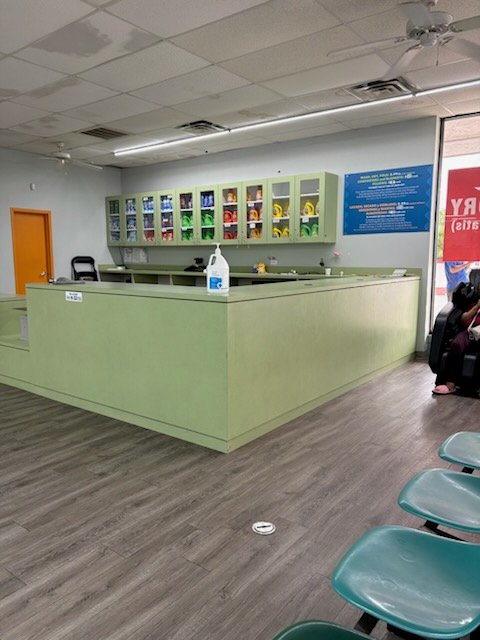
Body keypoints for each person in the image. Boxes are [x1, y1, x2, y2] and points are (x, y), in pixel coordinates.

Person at [432, 295, 480, 395]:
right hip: (470, 331)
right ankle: (450, 384)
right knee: (457, 343)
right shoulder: (472, 300)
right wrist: (477, 307)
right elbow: (463, 320)